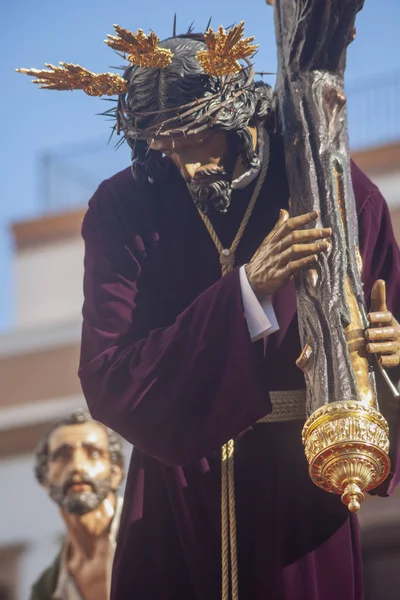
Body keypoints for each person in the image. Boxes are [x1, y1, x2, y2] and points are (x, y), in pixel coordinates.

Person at [17, 21, 400, 600]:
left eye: (193, 135)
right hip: (173, 504)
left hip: (298, 500)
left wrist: (391, 357)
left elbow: (383, 321)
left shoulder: (330, 188)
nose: (182, 161)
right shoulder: (122, 208)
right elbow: (109, 377)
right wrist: (246, 293)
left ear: (234, 110)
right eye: (161, 142)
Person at [30, 410, 125, 600]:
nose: (78, 466)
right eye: (63, 456)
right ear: (45, 479)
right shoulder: (47, 589)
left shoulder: (155, 535)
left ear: (115, 473)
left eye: (94, 453)